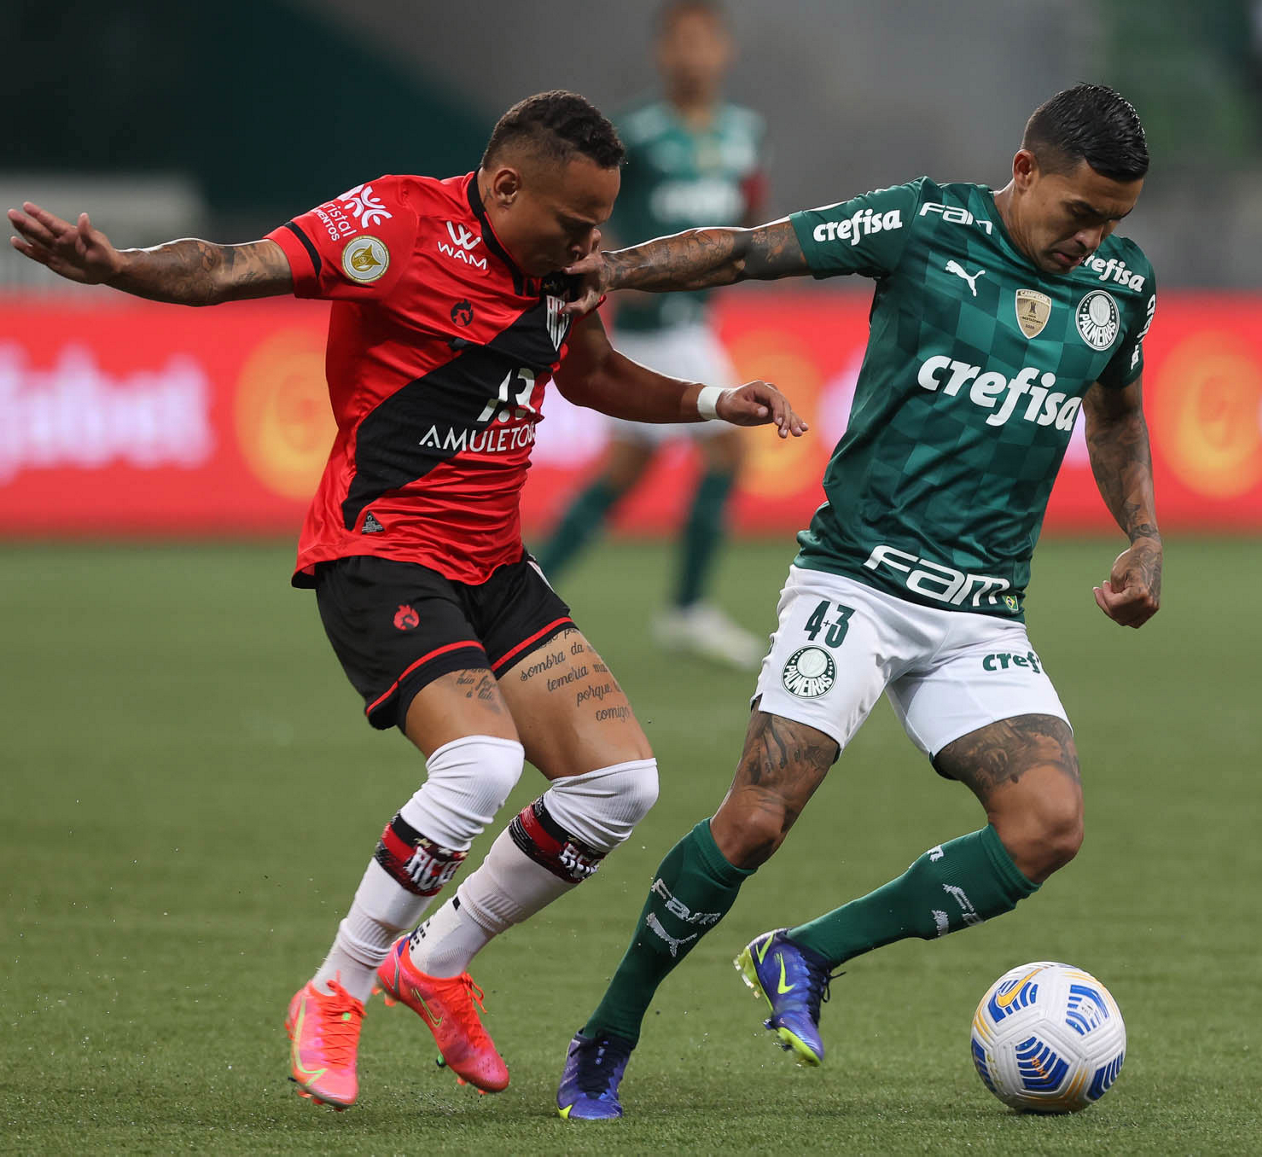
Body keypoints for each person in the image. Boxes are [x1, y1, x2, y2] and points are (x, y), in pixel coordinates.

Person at [8, 90, 806, 1112]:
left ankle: (432, 964)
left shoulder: (563, 266)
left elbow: (593, 373)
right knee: (480, 763)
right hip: (380, 550)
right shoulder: (394, 223)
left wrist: (710, 401)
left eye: (600, 222)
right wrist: (117, 269)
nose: (589, 243)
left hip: (493, 565)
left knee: (619, 784)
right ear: (504, 187)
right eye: (573, 222)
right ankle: (334, 989)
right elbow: (230, 267)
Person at [553, 83, 1162, 1120]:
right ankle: (606, 1034)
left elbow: (1113, 414)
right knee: (753, 822)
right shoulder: (924, 225)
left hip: (979, 612)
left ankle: (805, 952)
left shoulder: (1118, 285)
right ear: (1024, 171)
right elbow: (748, 250)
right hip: (857, 581)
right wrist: (612, 268)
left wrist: (1141, 533)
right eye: (1079, 212)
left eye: (1114, 219)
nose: (1093, 237)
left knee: (1046, 824)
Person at [538, 0, 768, 669]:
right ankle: (687, 610)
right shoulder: (634, 135)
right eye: (681, 42)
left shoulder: (746, 132)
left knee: (624, 470)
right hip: (648, 324)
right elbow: (591, 213)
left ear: (724, 50)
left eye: (704, 41)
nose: (693, 54)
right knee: (729, 446)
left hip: (694, 321)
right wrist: (612, 268)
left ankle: (528, 584)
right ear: (662, 52)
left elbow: (751, 209)